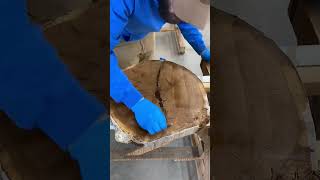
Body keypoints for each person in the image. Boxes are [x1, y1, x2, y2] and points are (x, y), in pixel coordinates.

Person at [110, 0, 211, 135]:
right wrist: (134, 101)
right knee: (124, 82)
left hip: (143, 32)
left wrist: (202, 48)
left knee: (146, 75)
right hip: (117, 38)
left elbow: (185, 17)